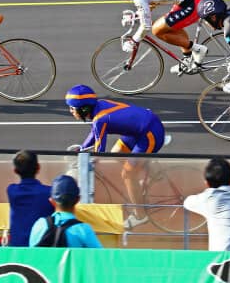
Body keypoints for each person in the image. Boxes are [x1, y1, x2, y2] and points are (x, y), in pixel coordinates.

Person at [65, 84, 166, 230]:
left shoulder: (100, 119)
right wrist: (82, 148)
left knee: (128, 174)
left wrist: (88, 160)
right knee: (116, 152)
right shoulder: (98, 108)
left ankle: (140, 215)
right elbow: (94, 133)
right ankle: (149, 170)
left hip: (150, 133)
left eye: (72, 108)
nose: (70, 111)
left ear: (84, 109)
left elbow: (99, 151)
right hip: (139, 130)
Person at [105, 0, 209, 73]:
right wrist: (137, 14)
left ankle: (198, 49)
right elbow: (152, 1)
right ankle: (188, 58)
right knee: (168, 25)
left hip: (194, 3)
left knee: (157, 30)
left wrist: (134, 41)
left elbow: (146, 26)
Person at [183, 157, 230, 251]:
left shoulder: (210, 199)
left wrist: (206, 193)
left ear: (207, 183)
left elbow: (187, 202)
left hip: (222, 258)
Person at [28, 174, 102, 248]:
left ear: (51, 201)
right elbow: (99, 254)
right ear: (78, 200)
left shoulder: (39, 225)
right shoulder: (83, 230)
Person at [6, 150, 54, 247]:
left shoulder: (12, 191)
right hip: (42, 246)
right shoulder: (49, 192)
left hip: (17, 246)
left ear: (15, 170)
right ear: (38, 167)